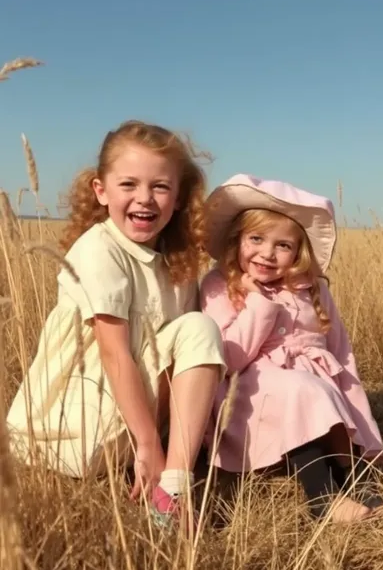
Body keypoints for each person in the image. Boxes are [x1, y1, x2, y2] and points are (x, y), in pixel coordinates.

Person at [7, 120, 226, 529]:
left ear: (179, 197)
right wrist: (148, 445)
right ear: (100, 190)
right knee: (199, 330)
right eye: (129, 184)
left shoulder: (178, 260)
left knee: (198, 330)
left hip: (131, 419)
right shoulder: (98, 249)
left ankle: (172, 493)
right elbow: (114, 352)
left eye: (160, 186)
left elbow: (181, 361)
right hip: (78, 428)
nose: (144, 199)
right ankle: (168, 483)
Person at [200, 174, 383, 523]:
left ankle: (354, 479)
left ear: (298, 252)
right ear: (236, 239)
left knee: (320, 392)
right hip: (251, 397)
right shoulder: (219, 285)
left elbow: (342, 353)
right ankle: (323, 498)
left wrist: (363, 418)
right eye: (256, 239)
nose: (267, 254)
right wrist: (258, 302)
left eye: (283, 246)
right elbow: (230, 357)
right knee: (301, 390)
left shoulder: (312, 289)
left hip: (318, 391)